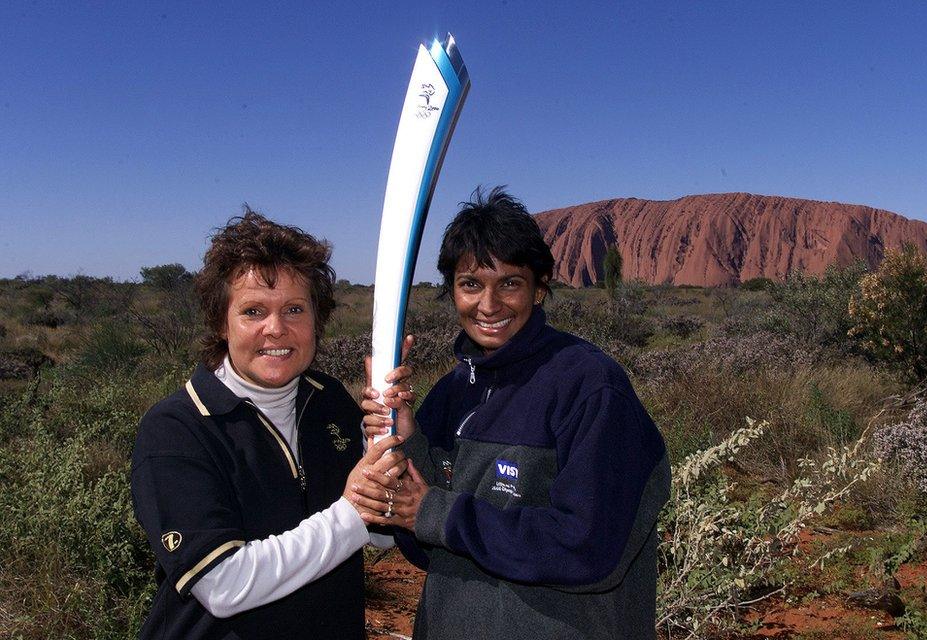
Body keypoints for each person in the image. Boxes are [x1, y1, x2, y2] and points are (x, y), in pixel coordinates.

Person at [360, 187, 671, 639]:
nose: (489, 305)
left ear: (539, 287)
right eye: (471, 284)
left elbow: (590, 549)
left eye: (509, 283)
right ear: (451, 291)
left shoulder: (591, 388)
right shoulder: (451, 392)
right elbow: (424, 542)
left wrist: (438, 515)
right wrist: (406, 440)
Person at [131, 210, 414, 640]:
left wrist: (393, 452)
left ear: (316, 320)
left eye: (294, 309)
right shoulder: (177, 429)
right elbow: (223, 584)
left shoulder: (329, 401)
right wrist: (352, 511)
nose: (276, 329)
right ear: (221, 323)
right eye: (253, 311)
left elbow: (380, 538)